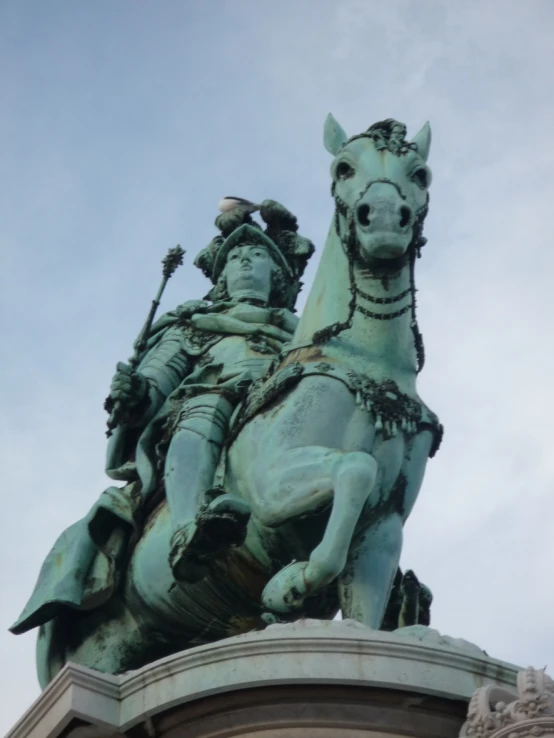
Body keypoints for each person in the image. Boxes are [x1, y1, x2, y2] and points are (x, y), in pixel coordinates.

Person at [104, 200, 314, 582]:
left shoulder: (306, 334)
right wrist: (134, 393)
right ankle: (188, 529)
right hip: (211, 403)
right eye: (235, 258)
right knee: (204, 406)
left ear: (278, 277)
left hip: (282, 403)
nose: (246, 263)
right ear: (222, 277)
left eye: (256, 255)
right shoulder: (192, 325)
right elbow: (154, 388)